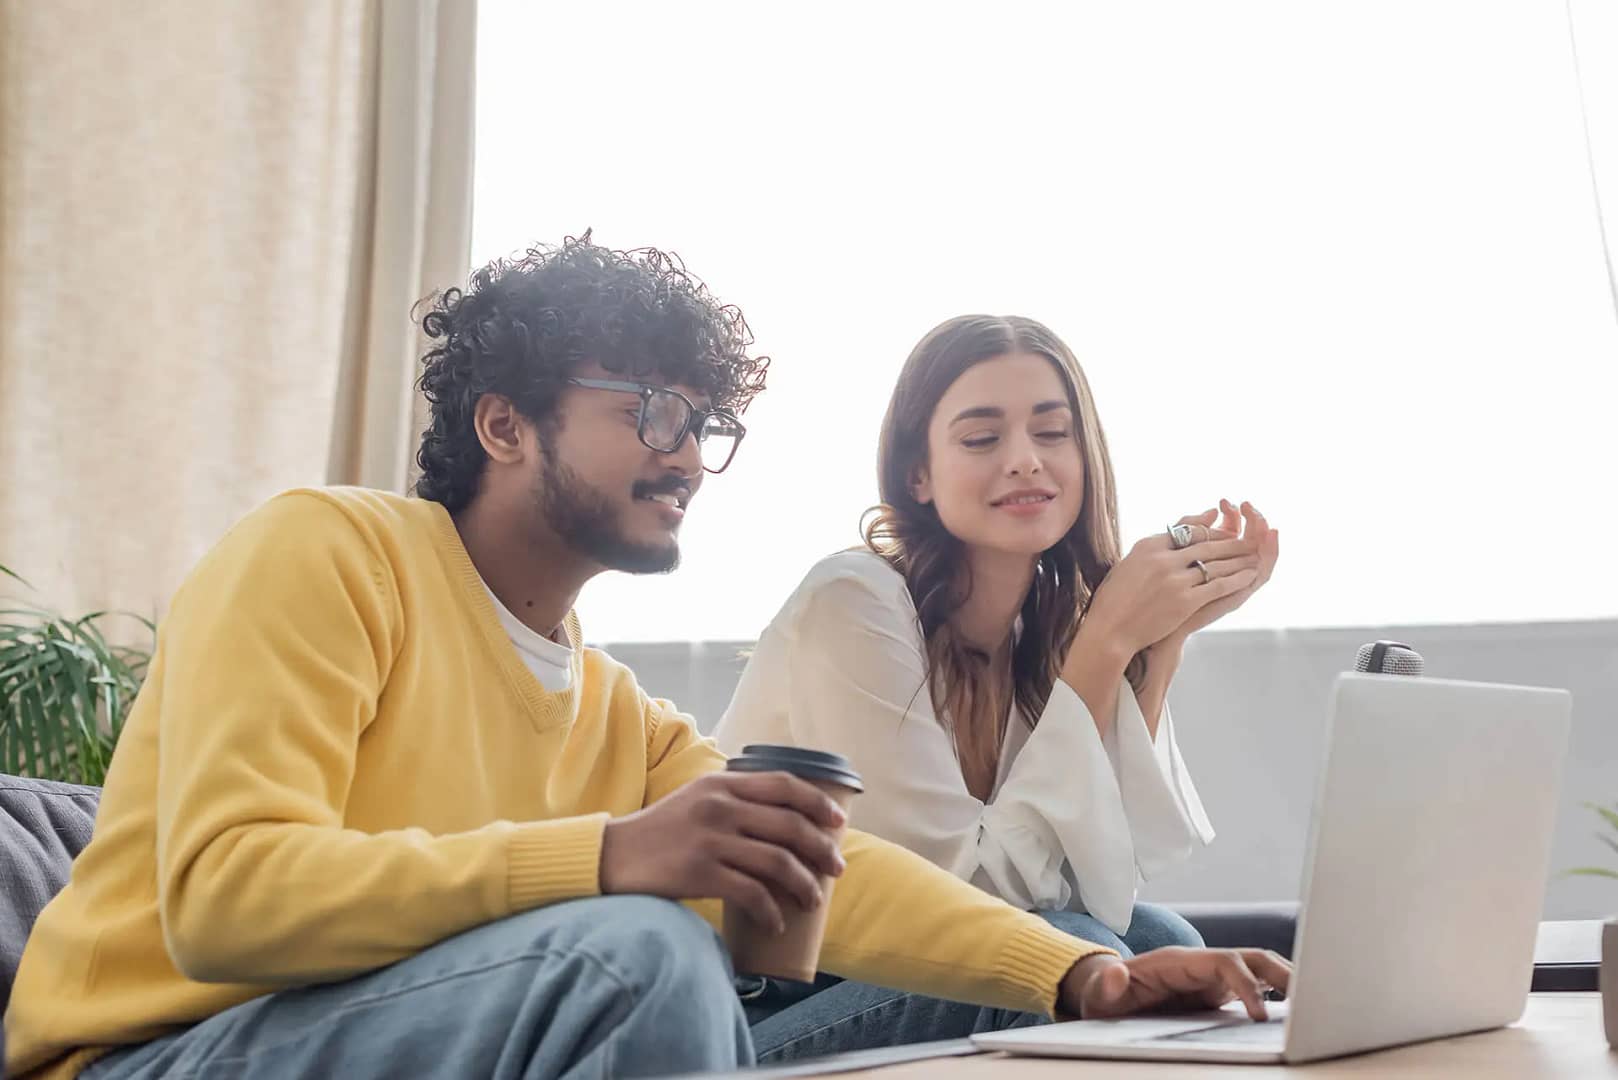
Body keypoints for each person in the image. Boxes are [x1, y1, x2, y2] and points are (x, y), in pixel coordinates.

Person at [4, 244, 1289, 1080]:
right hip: (146, 1054)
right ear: (504, 423)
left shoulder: (607, 706)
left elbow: (837, 877)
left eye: (706, 423)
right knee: (639, 951)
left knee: (1115, 967)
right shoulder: (331, 554)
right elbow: (229, 895)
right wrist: (616, 856)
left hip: (376, 1030)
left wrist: (1084, 974)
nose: (687, 454)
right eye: (653, 412)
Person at [716, 314, 1281, 958]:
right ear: (917, 475)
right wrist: (1106, 642)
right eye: (982, 438)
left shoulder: (1037, 629)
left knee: (1159, 939)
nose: (1024, 461)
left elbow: (1103, 872)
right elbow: (962, 903)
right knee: (1081, 950)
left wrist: (1158, 645)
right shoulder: (851, 601)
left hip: (918, 964)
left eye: (1051, 433)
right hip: (778, 991)